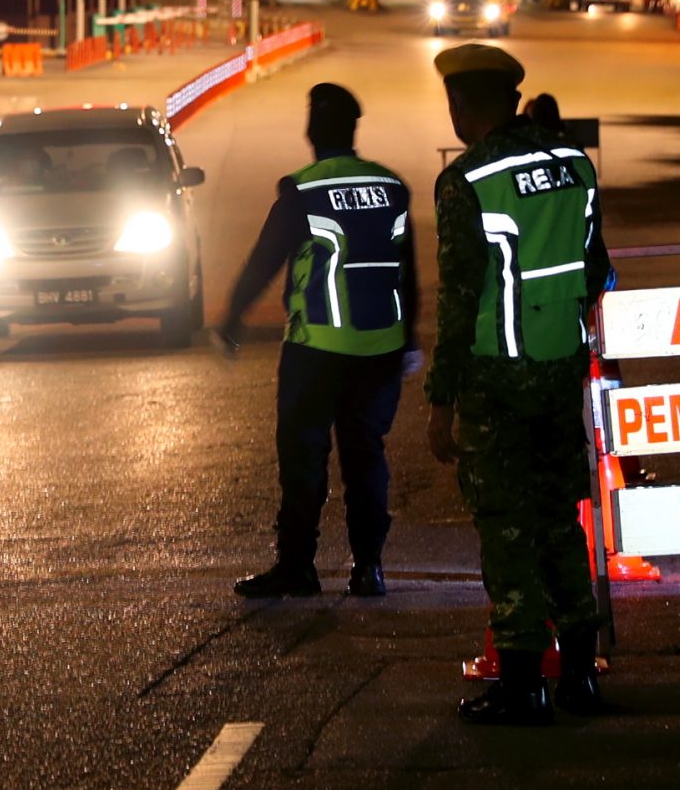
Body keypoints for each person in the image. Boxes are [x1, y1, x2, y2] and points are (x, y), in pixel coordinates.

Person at [423, 43, 612, 725]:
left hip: (496, 381)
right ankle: (583, 677)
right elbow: (597, 271)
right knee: (560, 518)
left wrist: (441, 400)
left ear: (461, 105)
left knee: (506, 528)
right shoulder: (574, 167)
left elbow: (458, 299)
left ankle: (525, 683)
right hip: (562, 370)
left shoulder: (468, 179)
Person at [214, 82, 417, 601]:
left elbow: (266, 259)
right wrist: (408, 337)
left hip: (316, 348)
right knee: (365, 455)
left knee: (303, 457)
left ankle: (298, 568)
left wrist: (234, 316)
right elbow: (406, 268)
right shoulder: (390, 186)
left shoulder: (302, 189)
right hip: (380, 348)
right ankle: (369, 568)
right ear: (353, 131)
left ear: (311, 131)